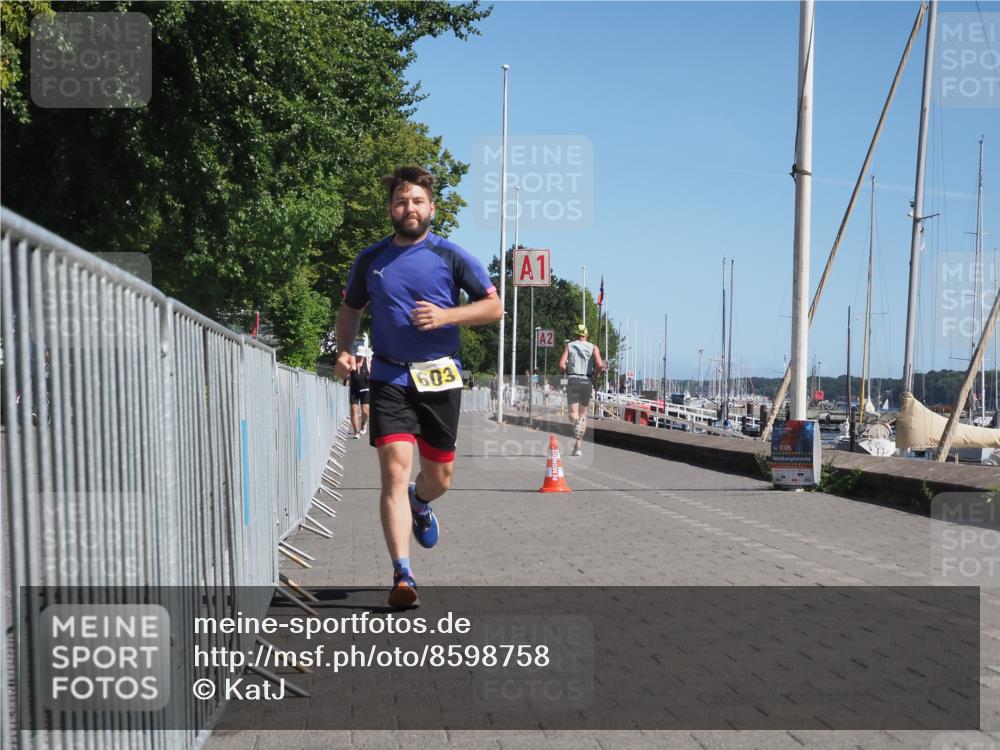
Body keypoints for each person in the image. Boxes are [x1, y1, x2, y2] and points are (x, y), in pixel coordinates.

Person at [334, 166, 503, 609]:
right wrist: (345, 350)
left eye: (417, 202)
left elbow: (494, 307)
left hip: (440, 376)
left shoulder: (451, 256)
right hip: (389, 376)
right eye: (401, 201)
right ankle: (402, 574)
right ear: (390, 208)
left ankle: (421, 503)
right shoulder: (371, 259)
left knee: (439, 478)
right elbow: (350, 309)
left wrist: (446, 316)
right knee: (394, 471)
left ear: (432, 208)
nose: (409, 208)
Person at [558, 323, 604, 457]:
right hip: (587, 381)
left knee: (573, 415)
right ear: (586, 335)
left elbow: (561, 364)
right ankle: (577, 447)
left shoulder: (569, 346)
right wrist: (596, 373)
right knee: (583, 415)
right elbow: (600, 364)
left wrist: (566, 369)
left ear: (575, 335)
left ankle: (577, 424)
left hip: (573, 380)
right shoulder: (593, 347)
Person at [348, 346, 371, 438]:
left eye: (361, 356)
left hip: (366, 389)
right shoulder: (351, 361)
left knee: (365, 411)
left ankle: (363, 423)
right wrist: (348, 373)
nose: (359, 357)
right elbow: (347, 374)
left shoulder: (368, 361)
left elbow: (374, 373)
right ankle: (356, 432)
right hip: (354, 389)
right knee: (354, 409)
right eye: (358, 355)